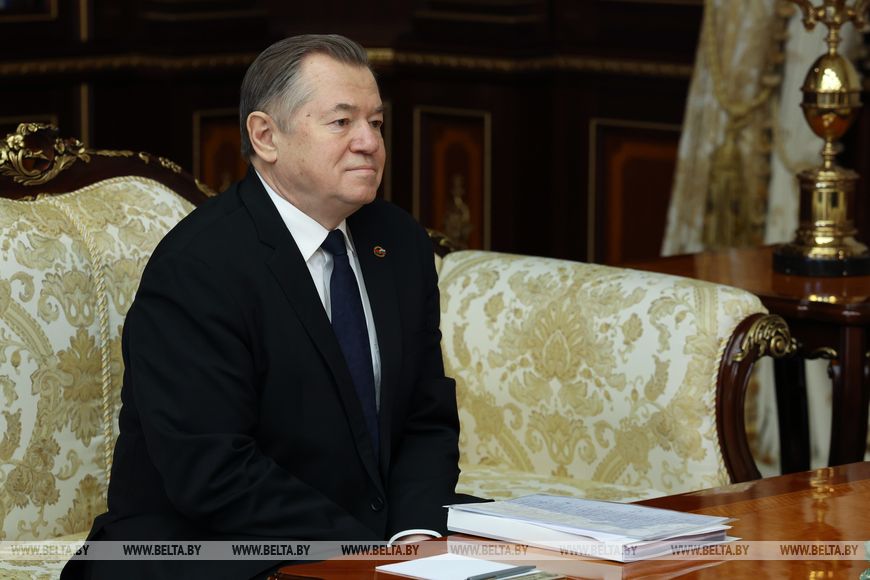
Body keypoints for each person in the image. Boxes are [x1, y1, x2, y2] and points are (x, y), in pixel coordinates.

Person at [62, 33, 470, 580]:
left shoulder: (398, 241)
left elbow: (425, 416)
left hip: (365, 532)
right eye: (342, 122)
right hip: (212, 546)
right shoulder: (199, 266)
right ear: (265, 136)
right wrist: (367, 554)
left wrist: (414, 535)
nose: (369, 142)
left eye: (376, 123)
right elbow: (212, 470)